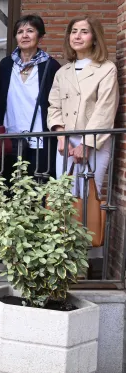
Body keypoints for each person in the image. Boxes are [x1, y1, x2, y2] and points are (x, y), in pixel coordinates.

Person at [48, 16, 118, 245]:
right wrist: (61, 135)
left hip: (96, 141)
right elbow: (54, 106)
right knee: (64, 194)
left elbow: (105, 109)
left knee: (89, 195)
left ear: (95, 38)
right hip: (65, 142)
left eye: (84, 31)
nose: (77, 36)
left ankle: (88, 254)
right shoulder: (63, 72)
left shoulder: (106, 69)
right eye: (74, 31)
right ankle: (65, 252)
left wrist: (86, 144)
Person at [0, 15, 61, 181]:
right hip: (9, 139)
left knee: (39, 187)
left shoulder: (51, 66)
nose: (24, 35)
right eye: (20, 32)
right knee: (10, 188)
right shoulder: (6, 65)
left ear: (40, 36)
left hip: (40, 140)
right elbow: (0, 100)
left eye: (30, 31)